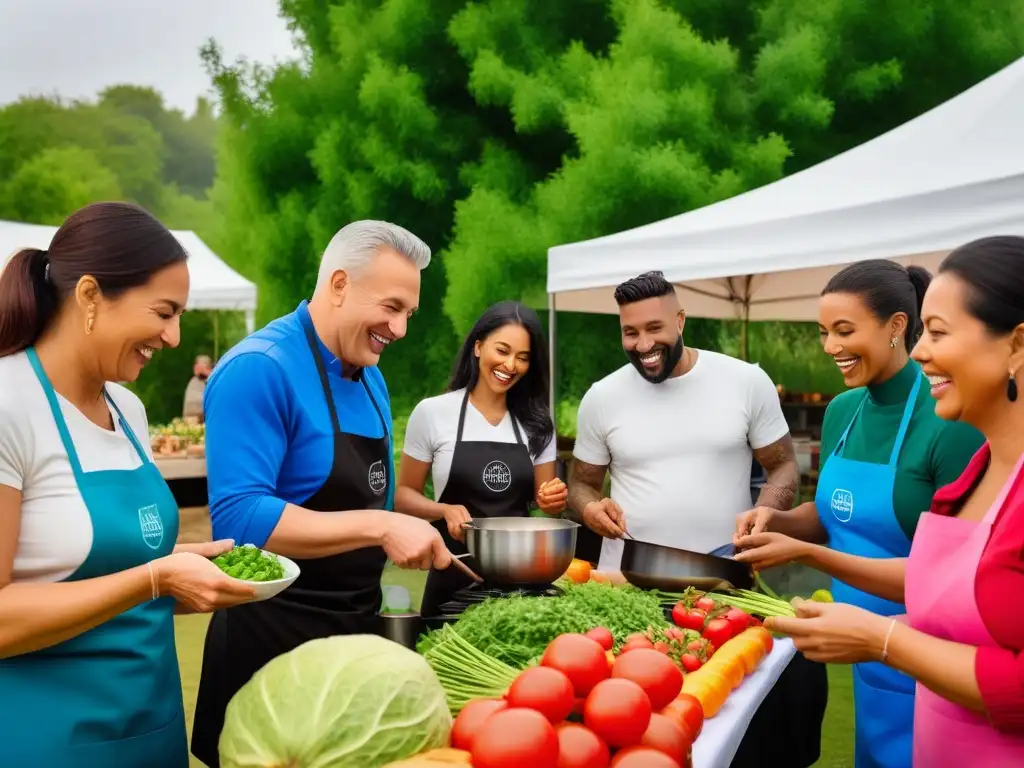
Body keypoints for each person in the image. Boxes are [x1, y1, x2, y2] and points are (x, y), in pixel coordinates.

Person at [190, 220, 456, 767]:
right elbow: (239, 521)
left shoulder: (371, 375)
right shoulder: (258, 369)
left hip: (351, 643)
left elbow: (373, 493)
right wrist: (380, 526)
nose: (401, 329)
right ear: (339, 284)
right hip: (269, 646)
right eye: (391, 307)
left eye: (409, 312)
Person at [0, 202, 254, 767]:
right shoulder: (8, 404)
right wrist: (156, 577)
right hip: (48, 744)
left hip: (153, 731)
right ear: (90, 295)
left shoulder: (128, 408)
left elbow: (107, 560)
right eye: (164, 313)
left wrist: (187, 568)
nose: (173, 337)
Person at [756, 236, 1024, 765]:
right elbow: (940, 579)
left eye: (939, 332)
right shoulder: (979, 471)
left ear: (1015, 345)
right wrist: (803, 549)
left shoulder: (955, 437)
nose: (923, 351)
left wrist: (883, 638)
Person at [567, 270, 824, 768]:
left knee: (726, 722)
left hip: (723, 588)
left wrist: (769, 508)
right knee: (637, 727)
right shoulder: (603, 396)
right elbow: (581, 484)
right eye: (630, 332)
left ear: (681, 320)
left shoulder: (743, 381)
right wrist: (590, 508)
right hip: (628, 590)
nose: (643, 344)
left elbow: (782, 465)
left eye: (655, 328)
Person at [398, 301, 568, 615]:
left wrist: (552, 499)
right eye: (502, 351)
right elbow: (402, 496)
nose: (510, 365)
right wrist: (443, 509)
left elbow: (545, 501)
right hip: (453, 573)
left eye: (523, 357)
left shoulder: (537, 423)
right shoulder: (434, 413)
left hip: (521, 585)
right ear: (478, 347)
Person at [183, 353, 212, 421]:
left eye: (199, 366)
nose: (196, 368)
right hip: (191, 420)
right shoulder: (193, 381)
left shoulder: (211, 381)